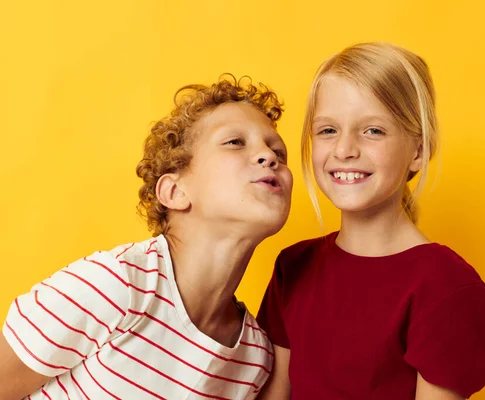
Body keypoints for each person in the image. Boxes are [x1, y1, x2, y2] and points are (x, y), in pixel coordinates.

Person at [0, 75, 293, 400]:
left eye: (278, 150)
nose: (269, 157)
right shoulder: (111, 285)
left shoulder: (254, 359)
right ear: (175, 191)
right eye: (235, 142)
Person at [257, 42, 485, 399]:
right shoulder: (292, 267)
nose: (344, 149)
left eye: (373, 131)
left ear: (418, 151)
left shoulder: (447, 286)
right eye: (327, 131)